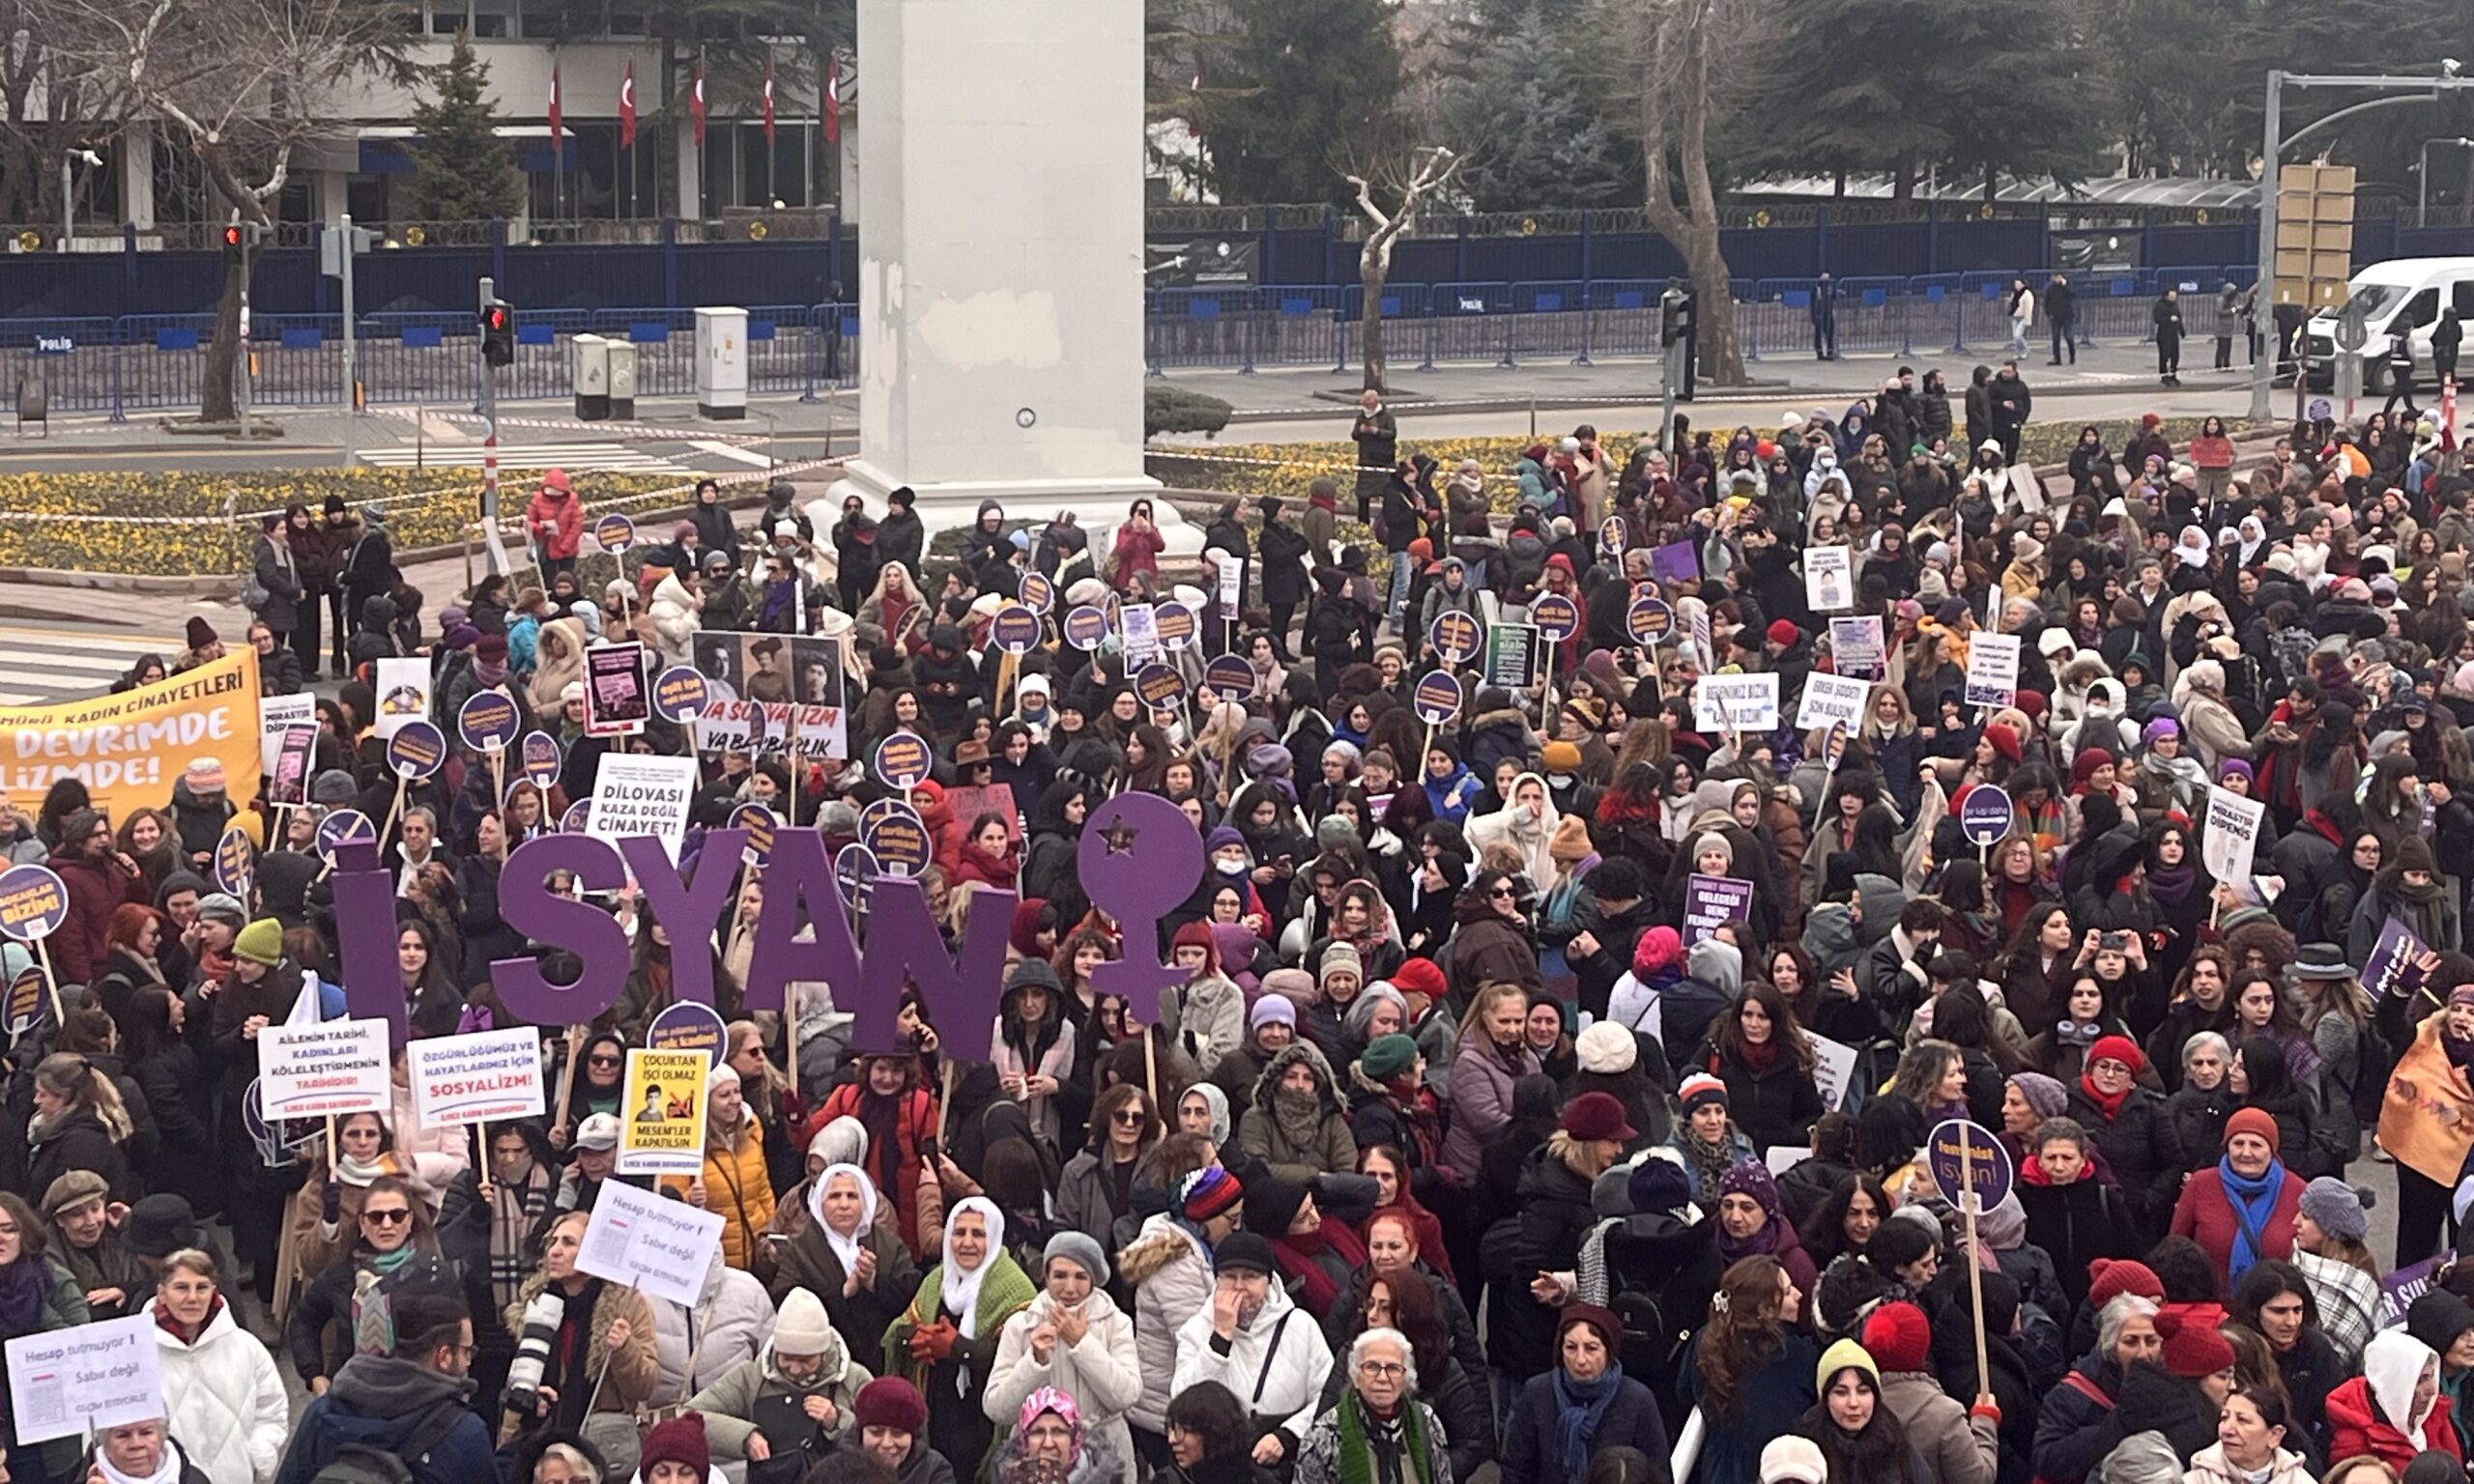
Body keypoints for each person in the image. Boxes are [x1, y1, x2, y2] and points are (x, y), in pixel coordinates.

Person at [273, 1284, 496, 1484]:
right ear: (444, 1355)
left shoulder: (322, 1414)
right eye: (467, 1351)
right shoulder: (465, 1433)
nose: (468, 1361)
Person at [882, 1198, 1035, 1477]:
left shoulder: (1015, 1287)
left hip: (982, 1420)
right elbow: (900, 1328)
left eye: (978, 1234)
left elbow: (1022, 1359)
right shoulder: (936, 1280)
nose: (967, 1242)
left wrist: (957, 1349)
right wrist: (919, 1338)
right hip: (936, 1412)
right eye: (958, 1232)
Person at [1171, 1231, 1335, 1472]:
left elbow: (1328, 1396)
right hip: (1218, 1463)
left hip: (1284, 1463)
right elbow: (1181, 1400)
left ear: (1268, 1281)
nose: (1239, 1287)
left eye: (1250, 1277)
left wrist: (1287, 1435)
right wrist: (1219, 1341)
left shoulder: (1301, 1325)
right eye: (1229, 1277)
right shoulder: (1196, 1329)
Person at [985, 1233, 1140, 1484]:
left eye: (1080, 1276)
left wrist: (1082, 1344)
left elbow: (1127, 1395)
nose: (1069, 1287)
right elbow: (997, 1408)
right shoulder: (1020, 1325)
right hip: (1037, 1456)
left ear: (1094, 1280)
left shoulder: (1117, 1323)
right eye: (1059, 1276)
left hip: (1105, 1455)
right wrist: (1033, 1361)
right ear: (1045, 1276)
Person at [685, 1286, 871, 1476]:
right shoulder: (751, 1377)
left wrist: (838, 1420)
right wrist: (744, 1437)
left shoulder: (854, 1379)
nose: (795, 1369)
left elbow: (882, 1437)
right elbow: (689, 1417)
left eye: (806, 1360)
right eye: (786, 1358)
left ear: (824, 1352)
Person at [149, 1247, 286, 1484]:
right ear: (162, 1293)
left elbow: (272, 1410)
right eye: (181, 1287)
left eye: (201, 1287)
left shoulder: (246, 1347)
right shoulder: (138, 1354)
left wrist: (258, 1457)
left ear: (213, 1291)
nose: (193, 1297)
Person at [1498, 1305, 1668, 1484]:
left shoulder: (1638, 1399)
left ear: (1609, 1352)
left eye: (1591, 1348)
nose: (1580, 1360)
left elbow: (1657, 1473)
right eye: (1571, 1348)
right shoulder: (1537, 1392)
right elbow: (1516, 1469)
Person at [1685, 1254, 1818, 1484]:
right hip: (1783, 1471)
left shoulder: (1704, 1342)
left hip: (1720, 1472)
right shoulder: (1796, 1354)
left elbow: (1685, 1393)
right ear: (1764, 1309)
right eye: (1787, 1292)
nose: (1798, 1295)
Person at [1293, 1327, 1453, 1484]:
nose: (1382, 1377)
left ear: (1405, 1379)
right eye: (1372, 1367)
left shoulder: (1427, 1422)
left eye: (1393, 1368)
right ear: (1356, 1377)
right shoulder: (1324, 1436)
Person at [1861, 1300, 1998, 1484]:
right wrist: (1984, 1422)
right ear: (1923, 1347)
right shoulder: (1944, 1416)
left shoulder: (1848, 1409)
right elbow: (1976, 1478)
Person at [2170, 1106, 2302, 1291]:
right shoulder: (2201, 1183)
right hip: (2213, 1307)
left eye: (2256, 1145)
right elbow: (2175, 1247)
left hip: (2276, 1308)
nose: (2246, 1153)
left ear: (2272, 1150)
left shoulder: (2298, 1191)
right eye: (2238, 1143)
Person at [2324, 1328, 2463, 1470]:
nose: (2432, 1391)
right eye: (2420, 1380)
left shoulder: (2434, 1417)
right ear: (2394, 1383)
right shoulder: (2356, 1445)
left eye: (2432, 1377)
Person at [2184, 1385, 2313, 1484]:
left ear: (2275, 1435)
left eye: (2242, 1420)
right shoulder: (2196, 1480)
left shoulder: (2299, 1480)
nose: (2227, 1430)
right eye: (2224, 1418)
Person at [853, 1377, 958, 1484]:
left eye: (897, 1433)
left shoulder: (934, 1470)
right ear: (861, 1432)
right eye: (876, 1433)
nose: (887, 1443)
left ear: (913, 1436)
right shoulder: (838, 1465)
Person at [2153, 287, 2185, 386]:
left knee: (2175, 355)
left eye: (2174, 296)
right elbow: (2157, 319)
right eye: (2171, 296)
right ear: (2167, 296)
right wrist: (2168, 319)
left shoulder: (2175, 305)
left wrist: (2181, 331)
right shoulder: (2160, 305)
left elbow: (2179, 317)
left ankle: (2173, 375)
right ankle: (2164, 377)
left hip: (2173, 333)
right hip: (2164, 333)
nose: (2173, 298)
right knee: (2164, 355)